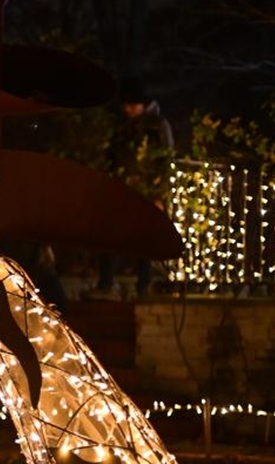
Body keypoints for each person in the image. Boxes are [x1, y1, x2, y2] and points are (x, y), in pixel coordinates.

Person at [86, 77, 174, 300]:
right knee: (112, 237)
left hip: (145, 191)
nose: (128, 109)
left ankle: (142, 286)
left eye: (132, 105)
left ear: (143, 104)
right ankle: (108, 285)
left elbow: (164, 162)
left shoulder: (157, 125)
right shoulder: (125, 126)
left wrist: (158, 194)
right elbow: (113, 157)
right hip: (122, 189)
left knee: (141, 240)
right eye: (125, 105)